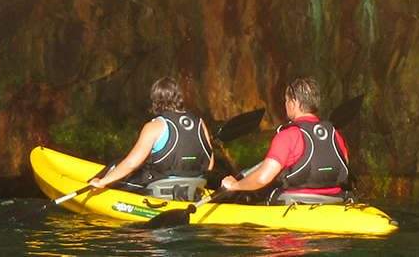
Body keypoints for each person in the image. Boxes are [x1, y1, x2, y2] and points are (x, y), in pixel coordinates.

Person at [220, 77, 350, 203]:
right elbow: (344, 166)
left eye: (286, 100)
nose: (285, 104)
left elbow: (262, 178)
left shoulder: (287, 135)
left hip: (295, 202)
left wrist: (235, 186)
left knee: (255, 195)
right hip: (335, 200)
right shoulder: (335, 134)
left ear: (293, 104)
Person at [88, 77, 215, 192]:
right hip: (194, 185)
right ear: (180, 97)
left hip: (160, 187)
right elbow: (209, 163)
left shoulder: (154, 126)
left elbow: (132, 163)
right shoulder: (200, 123)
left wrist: (104, 181)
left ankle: (94, 184)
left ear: (155, 100)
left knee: (116, 164)